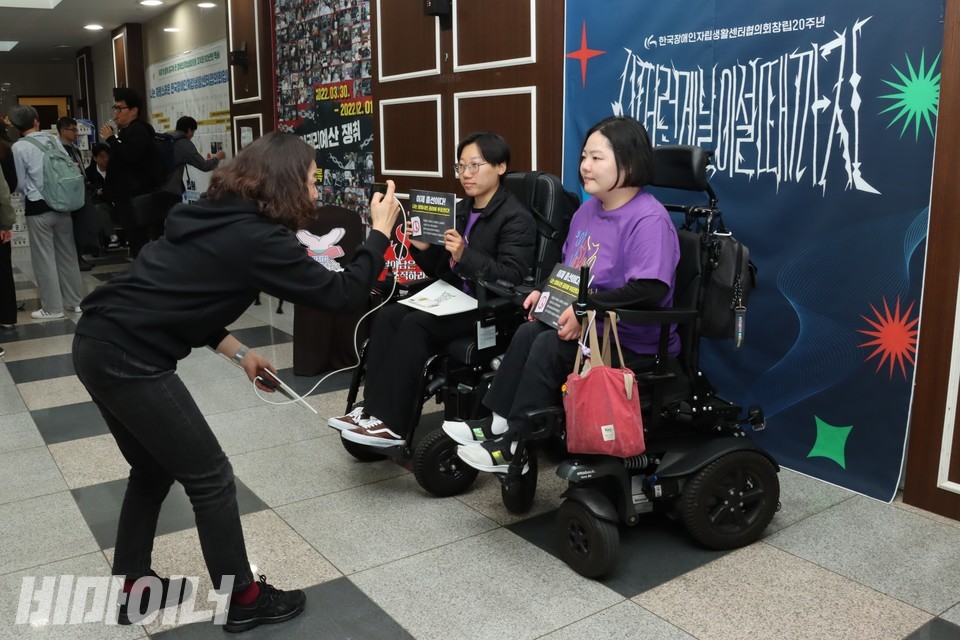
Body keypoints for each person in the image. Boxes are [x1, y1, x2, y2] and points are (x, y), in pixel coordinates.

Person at [71, 132, 401, 631]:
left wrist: (240, 352)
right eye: (312, 182)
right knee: (212, 479)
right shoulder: (259, 238)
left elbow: (186, 301)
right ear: (287, 184)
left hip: (97, 342)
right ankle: (245, 599)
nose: (316, 193)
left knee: (154, 471)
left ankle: (134, 587)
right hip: (128, 357)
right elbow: (344, 294)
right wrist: (378, 231)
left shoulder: (215, 215)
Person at [444, 116, 681, 473]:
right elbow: (570, 272)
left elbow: (651, 288)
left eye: (597, 158)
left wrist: (588, 309)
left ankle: (516, 446)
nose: (585, 166)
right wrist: (544, 293)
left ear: (629, 163)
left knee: (548, 346)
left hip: (628, 340)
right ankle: (496, 421)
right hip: (588, 326)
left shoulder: (648, 219)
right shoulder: (587, 210)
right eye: (584, 156)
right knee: (528, 331)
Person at [329, 131, 536, 448]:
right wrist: (423, 247)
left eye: (475, 165)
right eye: (461, 166)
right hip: (451, 297)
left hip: (487, 307)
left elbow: (512, 276)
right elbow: (440, 269)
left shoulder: (516, 218)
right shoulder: (462, 210)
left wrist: (465, 255)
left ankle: (392, 423)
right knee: (389, 315)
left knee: (415, 324)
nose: (466, 174)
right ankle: (371, 412)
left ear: (501, 167)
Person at [9, 105, 84, 321]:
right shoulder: (53, 140)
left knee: (44, 259)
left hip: (38, 206)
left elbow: (20, 182)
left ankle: (53, 308)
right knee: (67, 255)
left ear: (16, 127)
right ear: (36, 121)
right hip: (63, 203)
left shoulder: (19, 147)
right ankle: (76, 302)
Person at [101, 87, 161, 258]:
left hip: (135, 196)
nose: (116, 113)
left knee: (138, 239)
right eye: (115, 108)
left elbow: (131, 156)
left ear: (134, 111)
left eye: (120, 108)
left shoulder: (138, 130)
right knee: (134, 238)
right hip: (127, 196)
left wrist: (111, 139)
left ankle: (145, 275)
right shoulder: (128, 131)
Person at [158, 115, 227, 208]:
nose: (193, 135)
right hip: (171, 191)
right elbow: (204, 166)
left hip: (157, 188)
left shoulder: (167, 138)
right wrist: (217, 158)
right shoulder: (184, 144)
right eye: (193, 131)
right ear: (189, 129)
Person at [57, 116, 95, 271]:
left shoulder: (73, 147)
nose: (76, 133)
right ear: (63, 131)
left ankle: (80, 255)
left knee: (82, 224)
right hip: (70, 193)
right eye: (73, 130)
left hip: (81, 189)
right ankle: (76, 259)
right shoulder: (61, 149)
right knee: (74, 227)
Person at [85, 142, 120, 248]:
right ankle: (112, 236)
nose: (106, 159)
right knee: (98, 208)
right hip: (103, 203)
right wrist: (96, 191)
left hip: (118, 202)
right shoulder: (89, 172)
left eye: (107, 156)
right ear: (95, 158)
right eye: (102, 156)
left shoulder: (115, 169)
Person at [0, 120, 17, 330]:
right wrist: (6, 223)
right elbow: (7, 188)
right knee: (4, 267)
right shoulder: (5, 150)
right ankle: (7, 316)